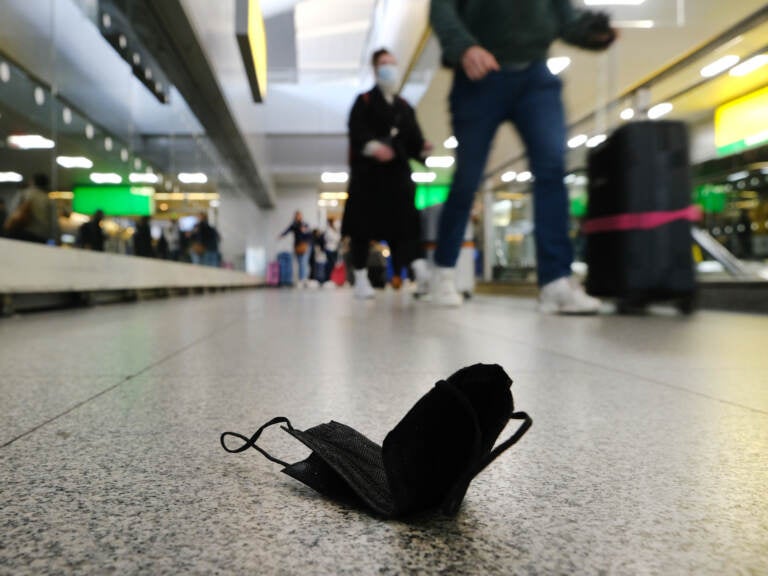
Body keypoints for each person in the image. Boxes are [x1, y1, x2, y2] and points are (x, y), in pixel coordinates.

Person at [429, 0, 615, 312]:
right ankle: (443, 270)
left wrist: (594, 33)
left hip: (534, 77)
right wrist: (463, 47)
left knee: (552, 170)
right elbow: (441, 9)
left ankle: (556, 280)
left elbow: (565, 20)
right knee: (467, 180)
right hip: (478, 76)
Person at [341, 48, 432, 300]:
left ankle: (417, 269)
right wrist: (374, 147)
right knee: (361, 228)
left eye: (392, 63)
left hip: (397, 179)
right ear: (374, 68)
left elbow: (414, 141)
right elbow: (355, 132)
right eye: (384, 64)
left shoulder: (404, 107)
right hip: (368, 178)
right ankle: (360, 277)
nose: (389, 68)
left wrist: (423, 149)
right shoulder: (364, 102)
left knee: (407, 225)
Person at [3, 173, 59, 244]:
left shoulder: (24, 193)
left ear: (32, 182)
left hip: (21, 232)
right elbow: (53, 222)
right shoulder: (48, 200)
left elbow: (12, 211)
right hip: (41, 236)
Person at [279, 211, 312, 287]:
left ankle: (304, 279)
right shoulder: (294, 225)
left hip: (305, 246)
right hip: (297, 246)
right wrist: (281, 236)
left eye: (299, 215)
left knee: (304, 263)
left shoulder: (305, 224)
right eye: (297, 215)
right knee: (300, 263)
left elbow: (309, 234)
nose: (298, 217)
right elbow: (287, 231)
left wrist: (305, 231)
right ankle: (301, 279)